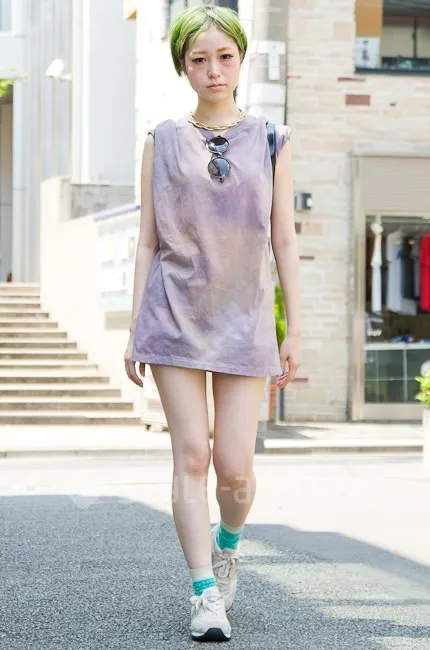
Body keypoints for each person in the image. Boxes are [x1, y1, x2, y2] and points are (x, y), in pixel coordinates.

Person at [124, 4, 301, 642]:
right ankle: (203, 592)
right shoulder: (161, 140)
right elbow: (147, 241)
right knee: (192, 456)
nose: (213, 69)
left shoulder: (274, 140)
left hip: (245, 318)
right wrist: (135, 326)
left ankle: (227, 547)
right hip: (173, 315)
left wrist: (294, 328)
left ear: (241, 59)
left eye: (224, 56)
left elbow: (284, 238)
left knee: (236, 469)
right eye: (199, 59)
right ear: (183, 66)